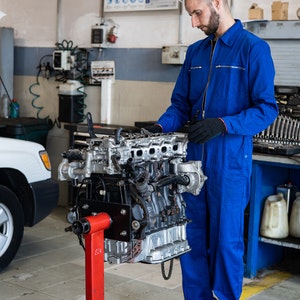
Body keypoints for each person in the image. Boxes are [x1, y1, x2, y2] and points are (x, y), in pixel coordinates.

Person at [144, 0, 278, 299]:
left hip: (228, 163)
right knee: (191, 240)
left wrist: (223, 124)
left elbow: (267, 109)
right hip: (193, 162)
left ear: (217, 3)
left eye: (197, 13)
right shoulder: (196, 52)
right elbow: (180, 104)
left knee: (225, 243)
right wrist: (160, 127)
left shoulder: (252, 49)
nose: (194, 23)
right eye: (190, 15)